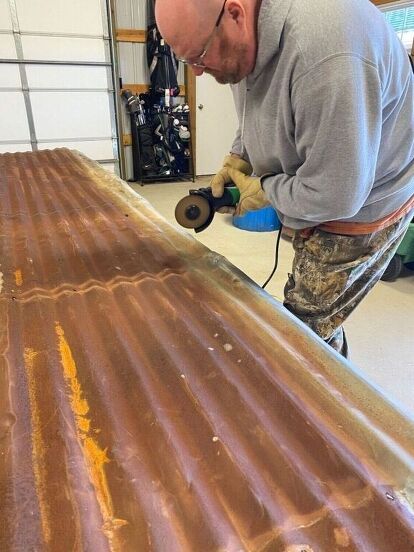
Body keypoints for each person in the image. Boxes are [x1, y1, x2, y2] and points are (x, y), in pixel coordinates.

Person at [155, 0, 414, 358]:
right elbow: (258, 99)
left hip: (364, 203)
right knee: (316, 322)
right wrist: (240, 154)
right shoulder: (242, 35)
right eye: (188, 61)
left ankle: (324, 403)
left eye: (199, 55)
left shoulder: (326, 55)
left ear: (234, 13)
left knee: (304, 330)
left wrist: (267, 191)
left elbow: (337, 193)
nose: (197, 72)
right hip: (333, 177)